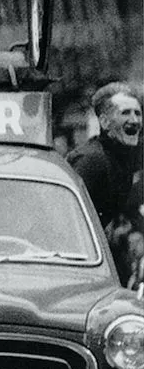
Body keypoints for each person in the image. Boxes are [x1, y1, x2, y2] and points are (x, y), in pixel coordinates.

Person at [66, 82, 143, 282]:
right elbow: (65, 219)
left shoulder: (124, 157)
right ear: (105, 122)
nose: (134, 120)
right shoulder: (92, 160)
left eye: (138, 113)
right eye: (125, 113)